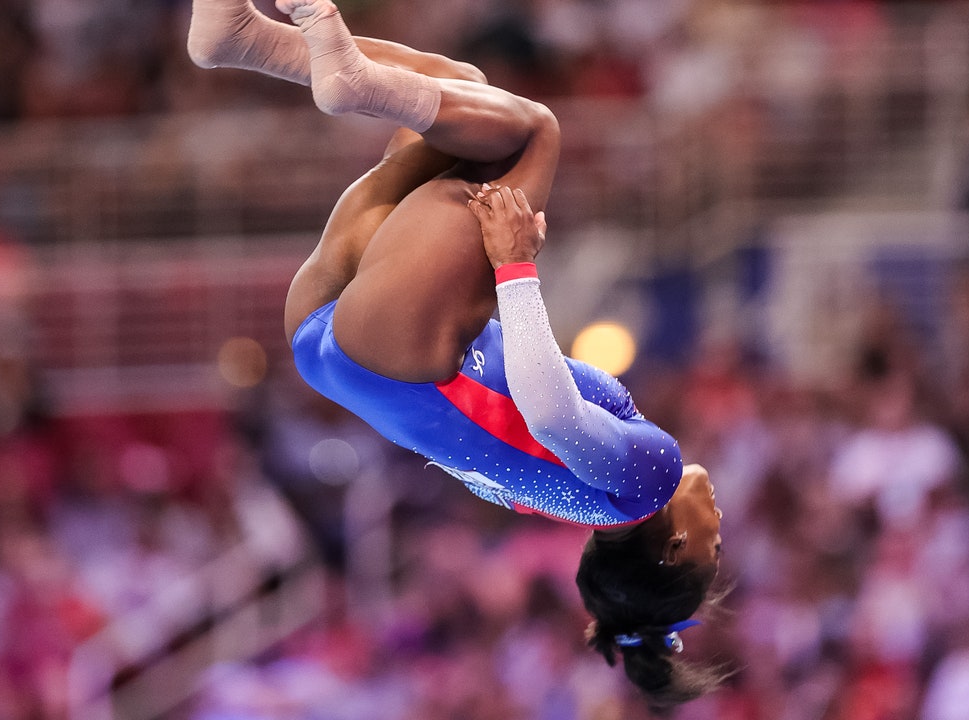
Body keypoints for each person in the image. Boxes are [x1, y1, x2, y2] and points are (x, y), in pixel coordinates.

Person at [188, 0, 725, 708]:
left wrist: (514, 267)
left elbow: (548, 409)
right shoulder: (561, 503)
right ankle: (247, 40)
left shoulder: (645, 481)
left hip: (402, 343)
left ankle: (321, 71)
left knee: (531, 131)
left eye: (713, 546)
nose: (719, 523)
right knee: (463, 95)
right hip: (338, 345)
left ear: (674, 548)